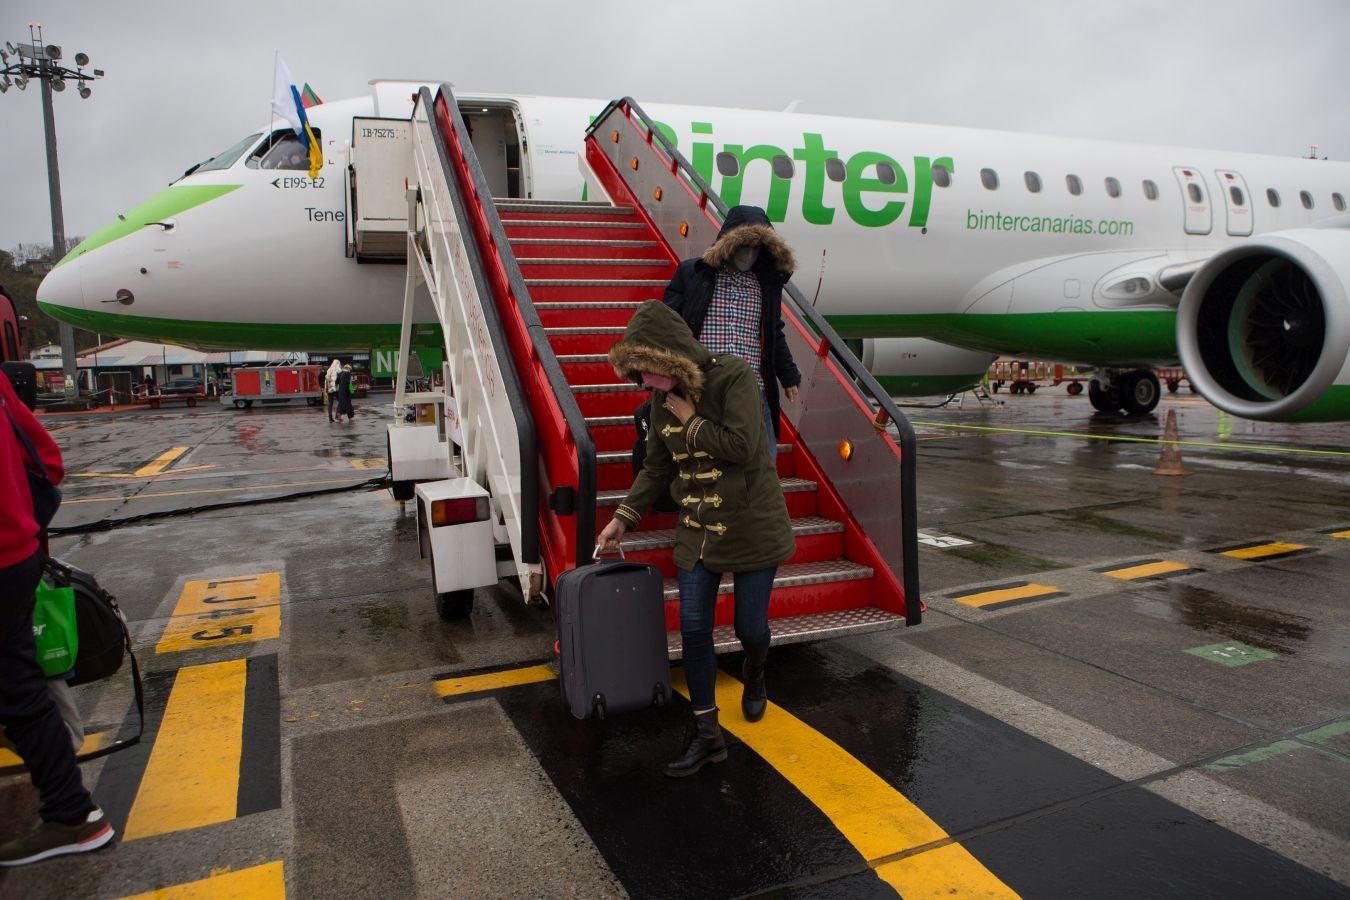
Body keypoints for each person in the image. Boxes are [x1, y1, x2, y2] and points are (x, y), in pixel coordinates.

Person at [598, 301, 795, 778]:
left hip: (751, 524)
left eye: (649, 369)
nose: (646, 381)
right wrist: (623, 518)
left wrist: (692, 421)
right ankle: (707, 735)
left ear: (671, 356)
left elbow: (743, 447)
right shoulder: (658, 403)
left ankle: (755, 670)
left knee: (750, 629)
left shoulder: (734, 376)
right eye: (639, 373)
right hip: (698, 530)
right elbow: (656, 468)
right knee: (692, 629)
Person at [0, 372, 114, 866]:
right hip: (16, 555)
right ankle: (71, 810)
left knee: (19, 692)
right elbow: (46, 459)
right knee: (23, 689)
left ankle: (72, 812)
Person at [663, 205, 803, 453]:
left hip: (752, 390)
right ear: (728, 243)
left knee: (763, 462)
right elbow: (668, 325)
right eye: (743, 245)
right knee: (703, 458)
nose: (749, 254)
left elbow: (773, 330)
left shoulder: (765, 284)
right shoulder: (693, 273)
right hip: (704, 387)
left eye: (756, 247)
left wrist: (788, 376)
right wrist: (664, 372)